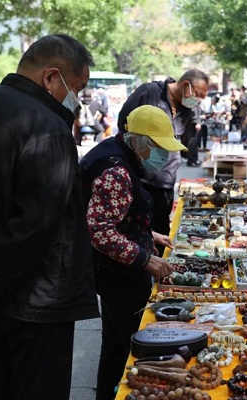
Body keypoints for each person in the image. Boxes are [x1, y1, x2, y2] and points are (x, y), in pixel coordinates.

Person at [0, 34, 100, 400]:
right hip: (37, 299)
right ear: (51, 78)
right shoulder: (48, 128)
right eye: (76, 88)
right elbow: (38, 220)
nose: (76, 100)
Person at [80, 105, 180, 400]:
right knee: (127, 347)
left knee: (114, 345)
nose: (165, 156)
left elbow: (115, 214)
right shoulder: (117, 171)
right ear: (142, 142)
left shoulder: (118, 153)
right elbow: (99, 231)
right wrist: (146, 259)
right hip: (118, 275)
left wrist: (148, 233)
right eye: (160, 148)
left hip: (114, 272)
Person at [116, 69, 209, 254]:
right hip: (140, 179)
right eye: (198, 95)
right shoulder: (150, 92)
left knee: (160, 234)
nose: (198, 100)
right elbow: (123, 125)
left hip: (165, 182)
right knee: (136, 231)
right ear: (186, 85)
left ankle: (157, 273)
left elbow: (184, 144)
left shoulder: (188, 109)